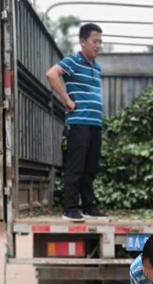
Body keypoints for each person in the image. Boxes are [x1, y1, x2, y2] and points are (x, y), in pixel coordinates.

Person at [46, 23, 106, 223]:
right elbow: (51, 74)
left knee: (91, 167)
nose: (98, 45)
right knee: (76, 166)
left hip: (94, 124)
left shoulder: (96, 67)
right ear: (82, 42)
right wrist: (66, 99)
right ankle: (70, 208)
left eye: (100, 42)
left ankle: (88, 206)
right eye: (94, 41)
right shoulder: (73, 60)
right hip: (79, 122)